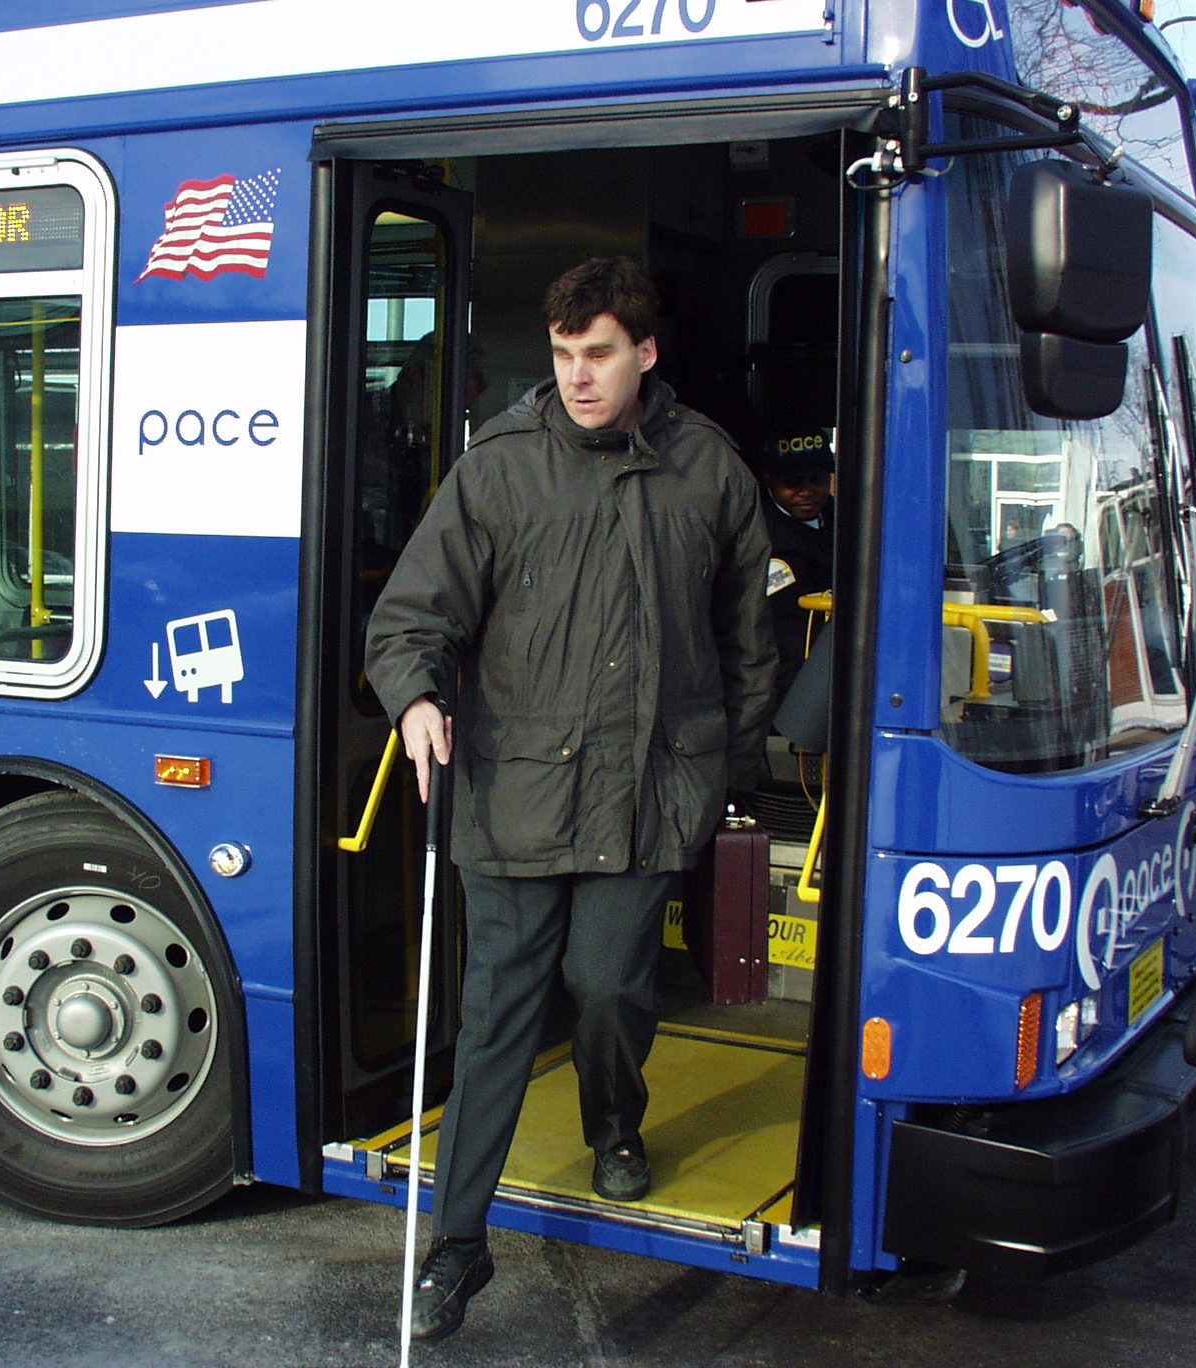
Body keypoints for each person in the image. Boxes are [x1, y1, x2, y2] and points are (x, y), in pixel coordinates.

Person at [365, 257, 776, 1342]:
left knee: (607, 989)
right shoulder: (496, 468)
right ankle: (455, 1247)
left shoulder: (709, 473)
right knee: (494, 1015)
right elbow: (410, 617)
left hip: (645, 794)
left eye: (597, 354)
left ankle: (615, 1125)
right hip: (509, 793)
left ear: (643, 353)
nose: (578, 376)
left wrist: (710, 766)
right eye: (561, 355)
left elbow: (749, 644)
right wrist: (411, 699)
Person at [750, 426, 834, 696]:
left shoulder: (850, 520)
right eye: (792, 482)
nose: (806, 491)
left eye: (816, 479)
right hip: (779, 686)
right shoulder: (754, 534)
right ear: (769, 478)